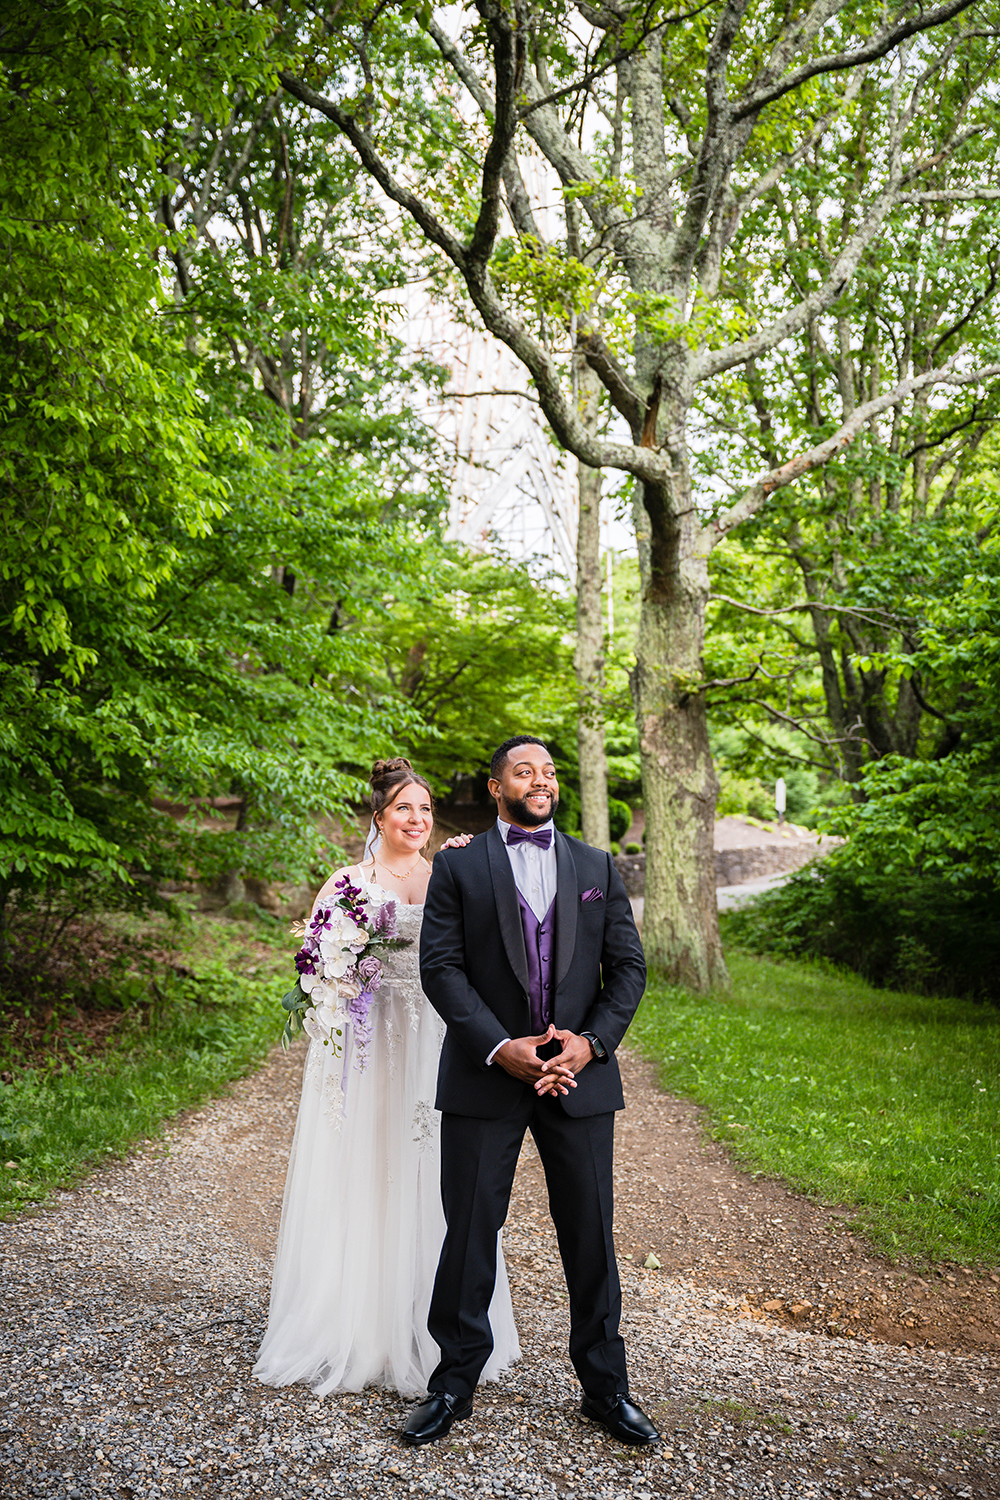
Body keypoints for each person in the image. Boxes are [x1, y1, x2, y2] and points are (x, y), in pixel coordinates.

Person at [404, 736, 658, 1447]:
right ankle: (453, 1386)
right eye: (524, 771)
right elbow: (442, 968)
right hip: (487, 1076)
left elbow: (628, 970)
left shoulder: (595, 865)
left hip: (579, 1080)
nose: (540, 780)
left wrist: (589, 1043)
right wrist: (499, 1047)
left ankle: (606, 1389)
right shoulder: (459, 866)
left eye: (548, 771)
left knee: (590, 1235)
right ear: (495, 787)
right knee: (470, 1234)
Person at [253, 757, 520, 1397]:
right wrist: (334, 985)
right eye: (405, 808)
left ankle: (428, 1316)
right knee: (365, 1162)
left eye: (426, 810)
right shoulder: (347, 881)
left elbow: (485, 939)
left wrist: (469, 858)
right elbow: (314, 964)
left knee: (427, 1165)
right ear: (379, 818)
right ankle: (350, 1313)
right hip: (365, 1044)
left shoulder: (448, 876)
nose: (418, 819)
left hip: (428, 1037)